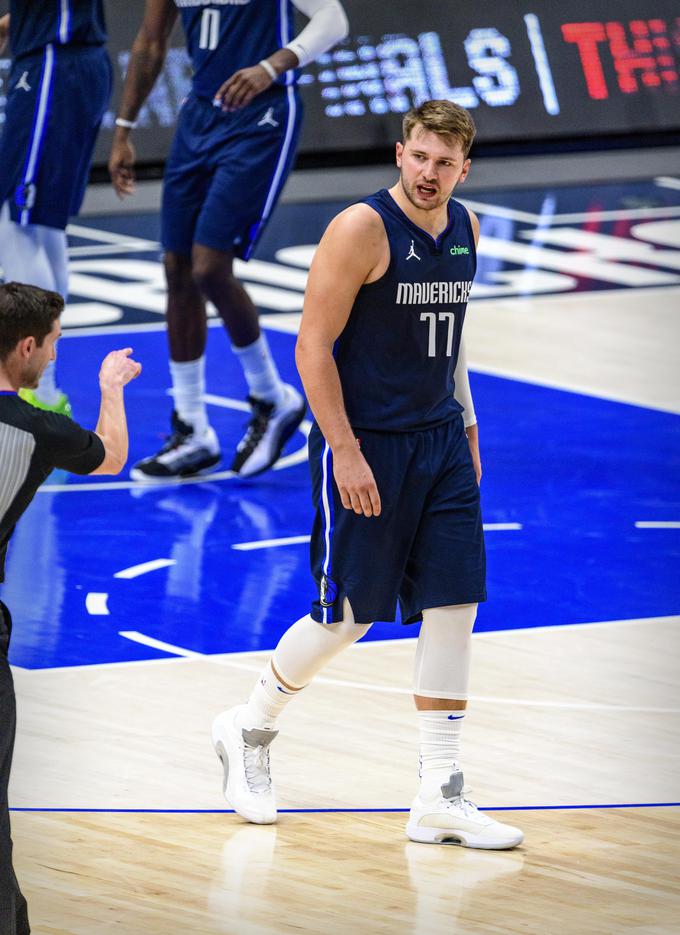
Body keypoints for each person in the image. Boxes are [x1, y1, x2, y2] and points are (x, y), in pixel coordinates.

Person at [211, 100, 524, 850]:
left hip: (440, 439)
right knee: (346, 614)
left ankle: (440, 790)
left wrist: (469, 423)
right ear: (399, 153)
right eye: (419, 157)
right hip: (368, 442)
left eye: (444, 163)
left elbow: (452, 344)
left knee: (455, 603)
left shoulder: (467, 229)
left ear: (463, 168)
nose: (429, 173)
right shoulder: (361, 228)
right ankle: (248, 726)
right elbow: (311, 347)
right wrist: (342, 449)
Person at [108, 0, 348, 481]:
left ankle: (271, 397)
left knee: (209, 268)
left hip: (260, 117)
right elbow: (151, 41)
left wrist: (271, 66)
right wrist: (124, 129)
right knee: (176, 269)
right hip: (199, 115)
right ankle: (192, 429)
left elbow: (334, 19)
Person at [0, 282, 141, 934]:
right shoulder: (37, 430)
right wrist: (111, 387)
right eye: (53, 343)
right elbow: (111, 456)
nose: (54, 356)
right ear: (26, 346)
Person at [0, 1, 113, 418]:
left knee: (16, 221)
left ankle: (39, 390)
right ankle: (46, 390)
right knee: (40, 223)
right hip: (56, 59)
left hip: (54, 61)